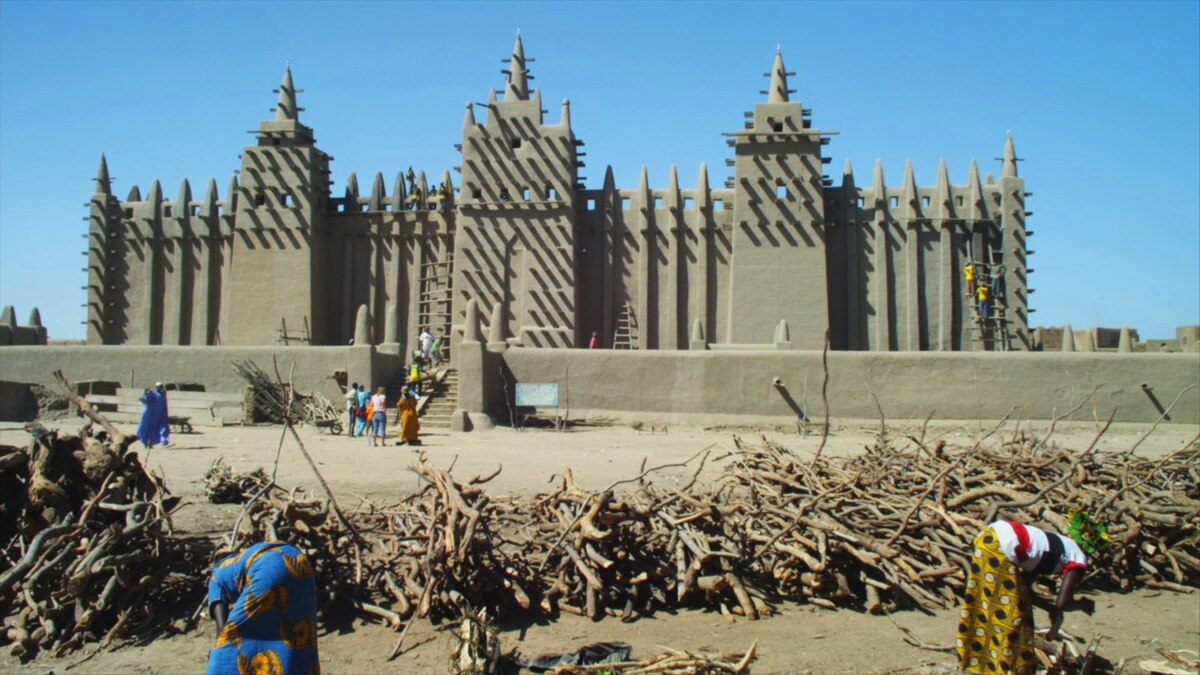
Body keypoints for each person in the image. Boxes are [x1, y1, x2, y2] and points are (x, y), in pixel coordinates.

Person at [956, 514, 1105, 674]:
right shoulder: (1077, 556)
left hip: (986, 538)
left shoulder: (1055, 544)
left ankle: (977, 662)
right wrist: (1082, 603)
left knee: (984, 608)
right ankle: (1010, 669)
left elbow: (1026, 591)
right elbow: (1063, 602)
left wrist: (1050, 609)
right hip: (1000, 546)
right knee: (1014, 618)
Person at [206, 541, 319, 675]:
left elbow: (223, 628)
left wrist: (219, 652)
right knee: (294, 633)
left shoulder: (217, 576)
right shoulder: (243, 560)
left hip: (269, 567)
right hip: (299, 562)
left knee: (231, 638)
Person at [137, 382, 170, 448]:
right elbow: (147, 400)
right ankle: (145, 442)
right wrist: (146, 393)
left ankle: (164, 440)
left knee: (163, 426)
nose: (160, 388)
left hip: (160, 414)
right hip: (150, 415)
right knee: (147, 429)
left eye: (161, 386)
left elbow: (164, 404)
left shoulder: (163, 394)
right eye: (159, 387)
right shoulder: (152, 394)